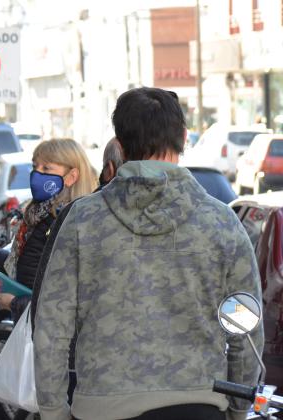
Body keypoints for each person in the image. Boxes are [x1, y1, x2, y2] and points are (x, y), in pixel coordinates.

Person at [33, 87, 262, 420]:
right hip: (199, 403)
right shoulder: (221, 222)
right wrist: (239, 407)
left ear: (121, 145)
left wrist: (53, 411)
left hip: (102, 405)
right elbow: (246, 327)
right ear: (184, 137)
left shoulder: (83, 219)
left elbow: (52, 326)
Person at [0, 139, 97, 318]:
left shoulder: (71, 222)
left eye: (46, 168)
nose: (36, 174)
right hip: (30, 327)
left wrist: (16, 303)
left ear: (71, 177)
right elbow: (26, 271)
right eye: (35, 166)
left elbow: (64, 300)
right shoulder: (39, 215)